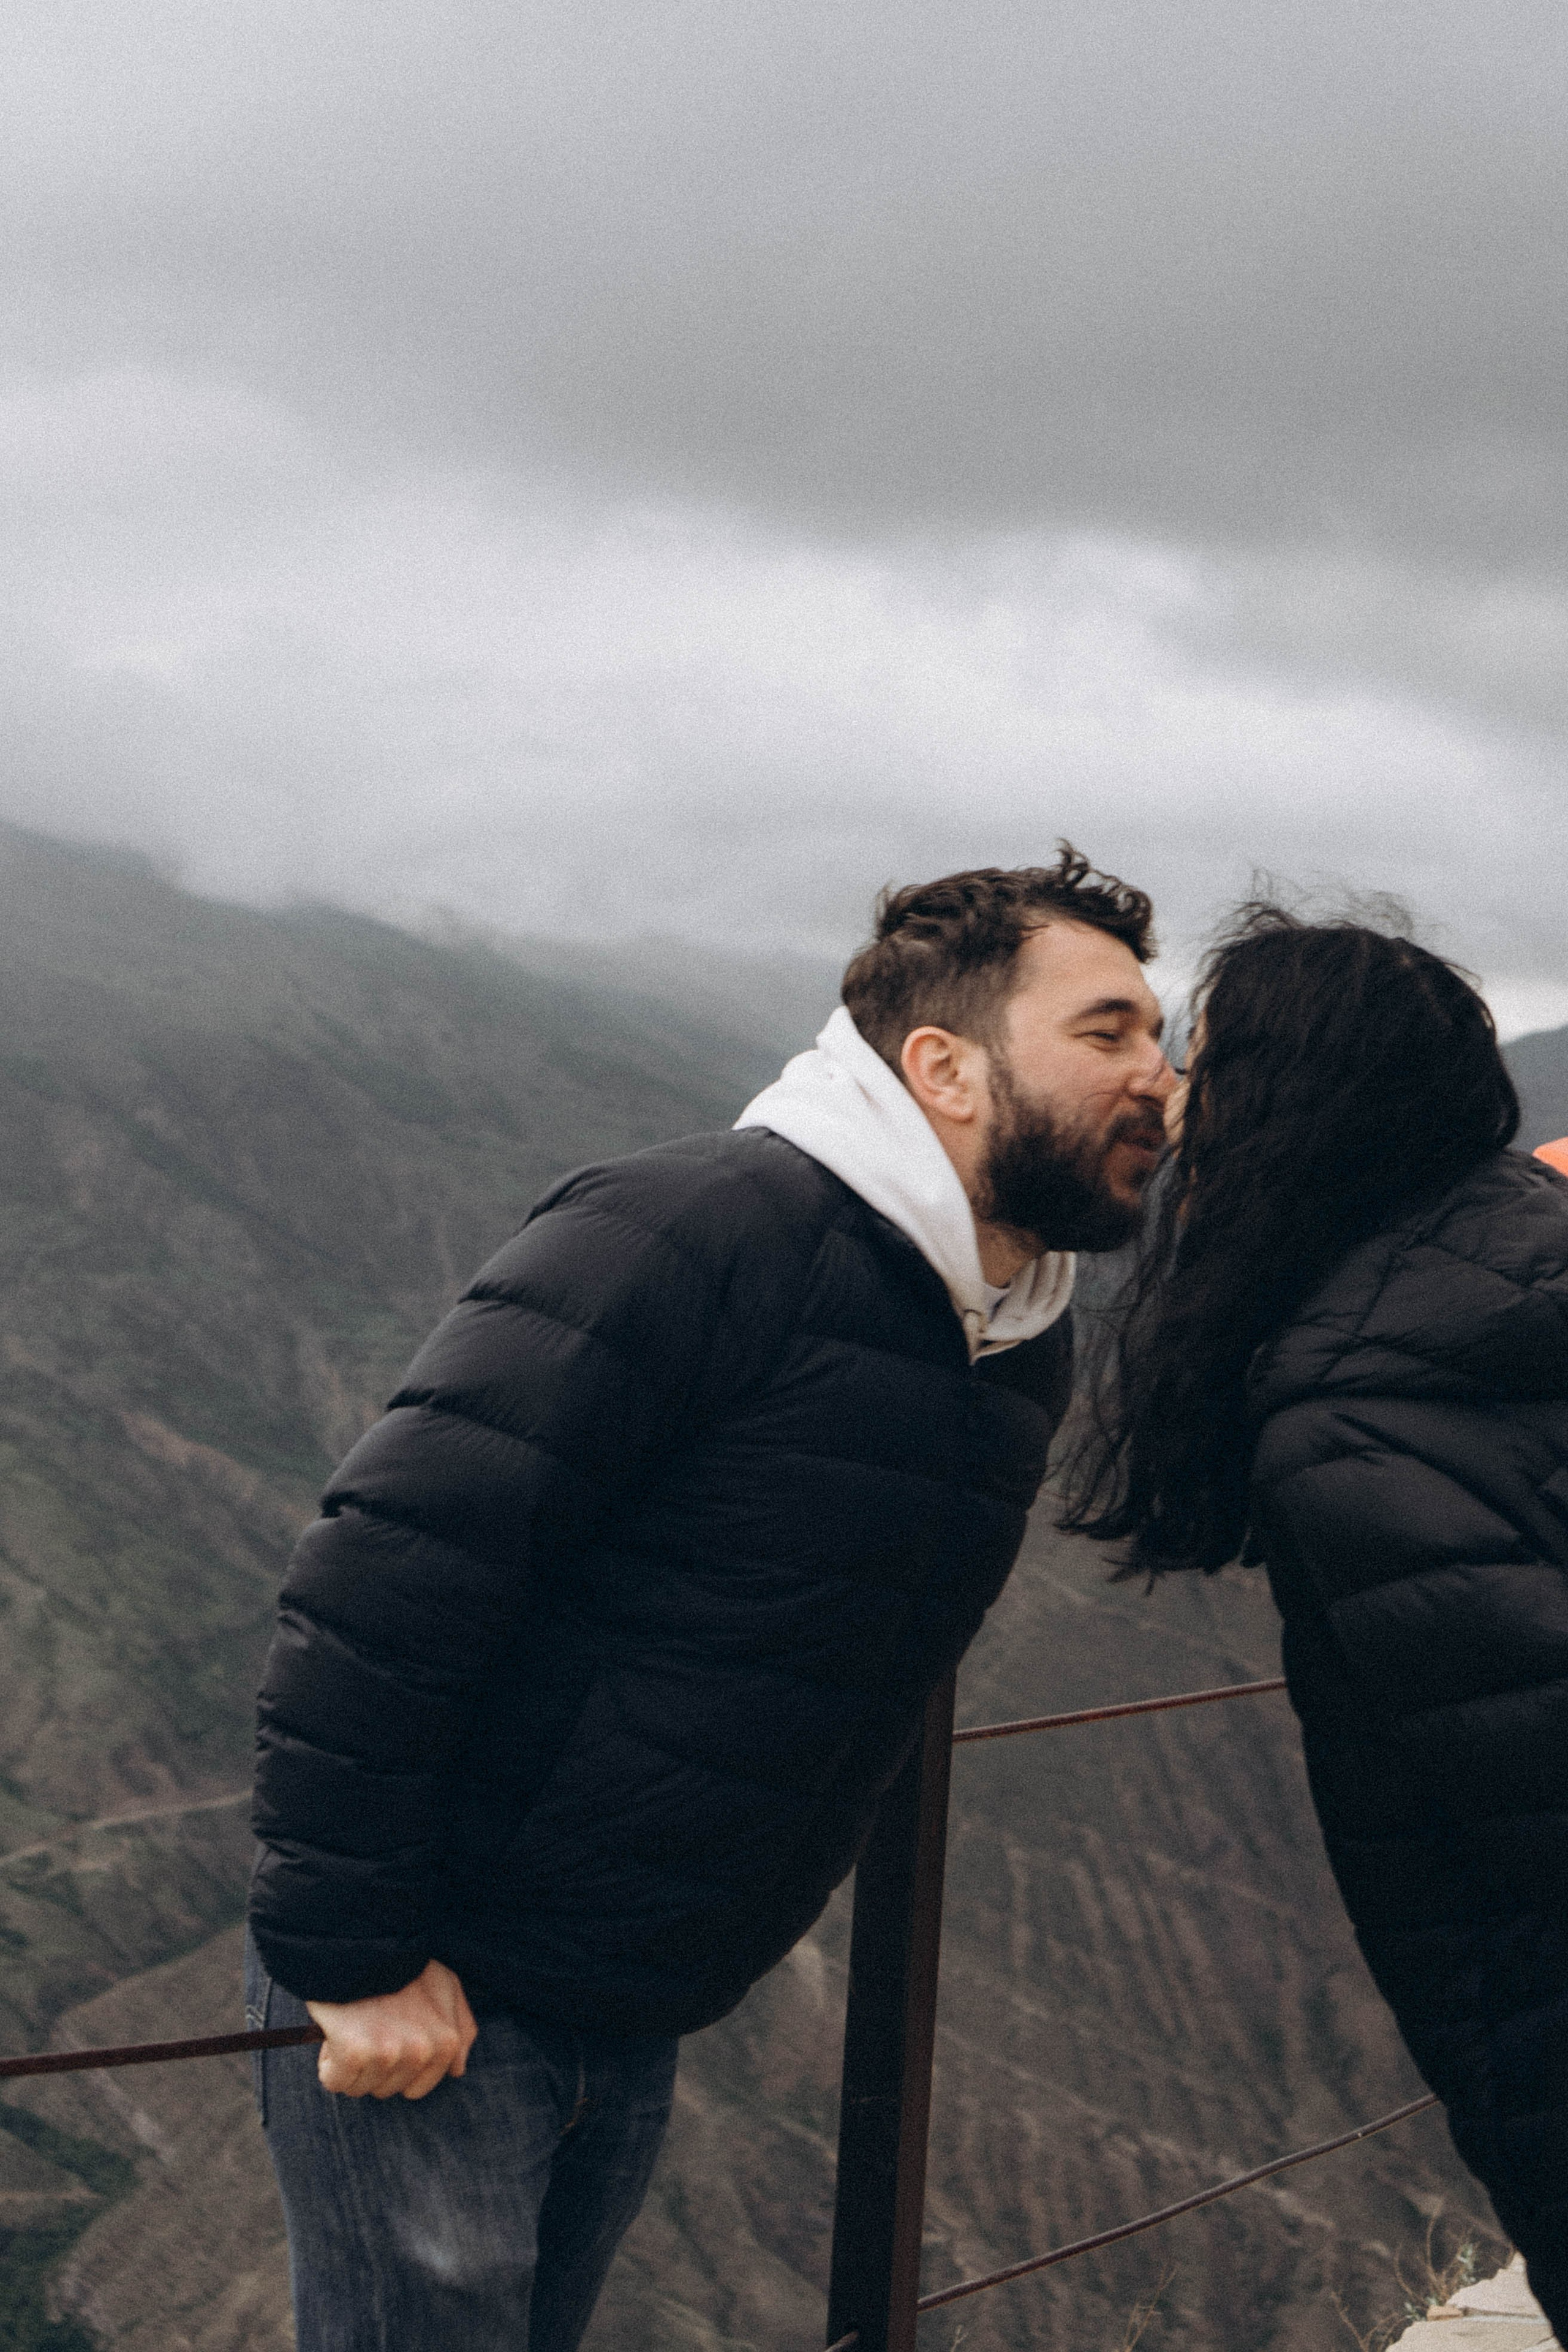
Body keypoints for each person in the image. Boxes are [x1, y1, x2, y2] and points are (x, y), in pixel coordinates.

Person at [246, 850, 1175, 2352]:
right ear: (939, 1066)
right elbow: (390, 1560)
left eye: (1161, 1037)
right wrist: (350, 1960)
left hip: (628, 1995)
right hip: (438, 1982)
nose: (1161, 1078)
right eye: (1108, 1033)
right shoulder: (706, 1226)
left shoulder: (1008, 1331)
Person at [1066, 903, 1568, 2330]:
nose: (1174, 1097)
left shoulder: (1353, 1418)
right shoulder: (1515, 1267)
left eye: (1205, 1068)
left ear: (1294, 1115)